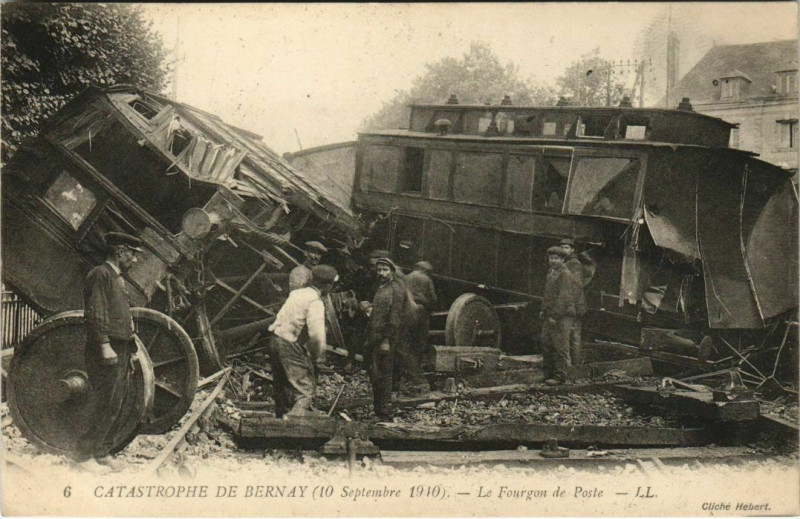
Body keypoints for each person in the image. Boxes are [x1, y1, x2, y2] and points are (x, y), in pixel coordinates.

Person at [76, 232, 143, 472]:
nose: (134, 260)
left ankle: (101, 451)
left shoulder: (116, 278)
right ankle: (82, 458)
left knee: (114, 403)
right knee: (102, 401)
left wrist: (131, 349)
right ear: (120, 251)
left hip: (121, 348)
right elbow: (97, 312)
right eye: (133, 255)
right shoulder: (100, 275)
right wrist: (104, 345)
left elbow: (121, 315)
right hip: (107, 349)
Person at [268, 264, 339, 418]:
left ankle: (282, 421)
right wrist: (318, 357)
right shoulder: (315, 301)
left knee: (284, 387)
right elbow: (316, 334)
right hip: (288, 343)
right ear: (328, 285)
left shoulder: (297, 293)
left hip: (275, 339)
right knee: (305, 390)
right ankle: (296, 426)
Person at [364, 258, 427, 419]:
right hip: (374, 336)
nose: (381, 273)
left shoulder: (396, 290)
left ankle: (385, 412)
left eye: (385, 270)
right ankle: (378, 409)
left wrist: (386, 340)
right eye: (379, 270)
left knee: (384, 376)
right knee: (375, 374)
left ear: (392, 271)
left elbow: (394, 318)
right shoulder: (379, 287)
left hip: (386, 339)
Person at [540, 246, 585, 386]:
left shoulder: (564, 273)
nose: (553, 261)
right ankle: (549, 372)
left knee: (560, 345)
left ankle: (561, 375)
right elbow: (548, 294)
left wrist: (555, 315)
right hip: (551, 312)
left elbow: (564, 297)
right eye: (551, 258)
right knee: (546, 342)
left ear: (563, 259)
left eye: (556, 258)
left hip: (564, 314)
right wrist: (544, 309)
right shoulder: (551, 272)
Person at [559, 238, 587, 366]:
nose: (564, 250)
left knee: (572, 337)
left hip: (573, 305)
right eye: (562, 247)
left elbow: (576, 286)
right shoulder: (566, 262)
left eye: (566, 247)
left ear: (572, 250)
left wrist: (570, 305)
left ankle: (573, 366)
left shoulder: (573, 263)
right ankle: (574, 366)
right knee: (572, 336)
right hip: (571, 305)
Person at [404, 261, 438, 360]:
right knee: (420, 339)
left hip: (407, 309)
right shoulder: (426, 279)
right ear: (424, 270)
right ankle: (416, 362)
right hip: (421, 310)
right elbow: (433, 297)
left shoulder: (406, 277)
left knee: (407, 337)